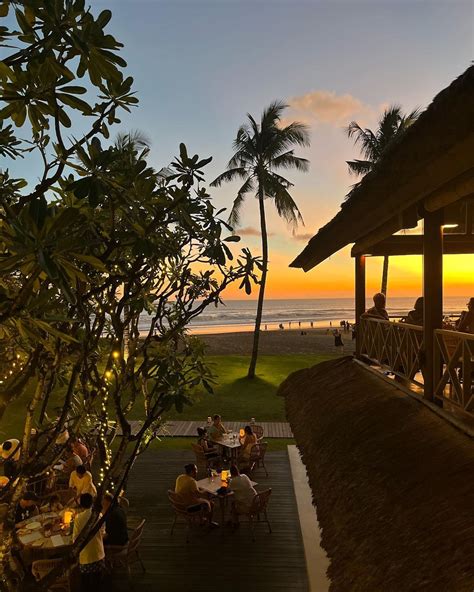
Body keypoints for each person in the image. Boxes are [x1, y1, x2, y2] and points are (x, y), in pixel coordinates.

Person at [73, 493, 105, 592]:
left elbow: (75, 539)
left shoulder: (78, 518)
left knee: (85, 582)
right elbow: (103, 532)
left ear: (81, 505)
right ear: (92, 503)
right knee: (97, 581)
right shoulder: (99, 515)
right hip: (99, 553)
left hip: (86, 556)